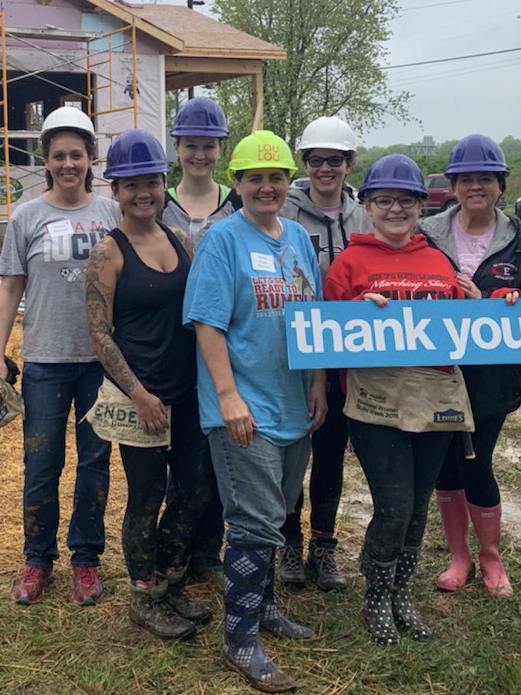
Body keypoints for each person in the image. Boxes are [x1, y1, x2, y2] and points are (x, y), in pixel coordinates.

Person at [183, 130, 327, 693]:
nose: (266, 187)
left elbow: (313, 314)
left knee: (280, 510)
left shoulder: (296, 237)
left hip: (294, 402)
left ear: (289, 183)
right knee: (254, 521)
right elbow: (206, 323)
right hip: (243, 410)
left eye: (276, 177)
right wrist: (227, 396)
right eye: (253, 178)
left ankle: (264, 606)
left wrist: (317, 382)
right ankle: (240, 636)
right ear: (236, 183)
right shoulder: (222, 241)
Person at [324, 154, 474, 645]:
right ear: (366, 205)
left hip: (434, 399)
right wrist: (352, 312)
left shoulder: (437, 260)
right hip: (376, 404)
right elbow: (324, 334)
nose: (395, 209)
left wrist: (488, 306)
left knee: (417, 506)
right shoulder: (349, 263)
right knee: (392, 505)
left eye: (405, 201)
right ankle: (376, 600)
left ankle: (401, 594)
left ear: (420, 205)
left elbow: (468, 329)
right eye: (383, 200)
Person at [0, 106, 121, 605]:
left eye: (77, 155)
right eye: (59, 155)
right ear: (46, 159)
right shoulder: (27, 216)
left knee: (95, 462)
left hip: (98, 362)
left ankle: (86, 560)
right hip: (44, 360)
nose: (69, 164)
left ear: (91, 159)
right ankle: (37, 559)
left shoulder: (110, 213)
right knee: (41, 464)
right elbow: (10, 288)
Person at [84, 129, 214, 639]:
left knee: (196, 489)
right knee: (146, 494)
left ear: (164, 184)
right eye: (131, 184)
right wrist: (139, 395)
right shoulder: (108, 252)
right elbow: (98, 332)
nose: (144, 192)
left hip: (186, 392)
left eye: (152, 181)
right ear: (114, 191)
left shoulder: (180, 241)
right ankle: (144, 592)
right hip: (140, 397)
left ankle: (169, 578)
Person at [421, 134, 521, 599]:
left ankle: (490, 557)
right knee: (444, 468)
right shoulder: (427, 234)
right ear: (453, 185)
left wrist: (496, 307)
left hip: (492, 381)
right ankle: (458, 557)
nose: (475, 187)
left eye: (485, 179)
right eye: (466, 180)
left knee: (477, 463)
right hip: (435, 376)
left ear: (501, 185)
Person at [277, 116, 373, 591]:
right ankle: (288, 543)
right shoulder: (286, 214)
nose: (325, 169)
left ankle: (324, 544)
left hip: (346, 357)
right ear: (305, 164)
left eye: (335, 160)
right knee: (295, 448)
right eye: (316, 160)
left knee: (332, 453)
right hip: (295, 353)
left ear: (349, 163)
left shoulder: (364, 218)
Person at [162, 95, 239, 585]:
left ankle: (209, 551)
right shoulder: (157, 200)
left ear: (221, 149)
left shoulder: (237, 202)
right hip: (169, 347)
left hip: (223, 346)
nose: (199, 155)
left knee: (216, 455)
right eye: (191, 145)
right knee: (181, 456)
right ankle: (175, 550)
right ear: (177, 147)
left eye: (209, 146)